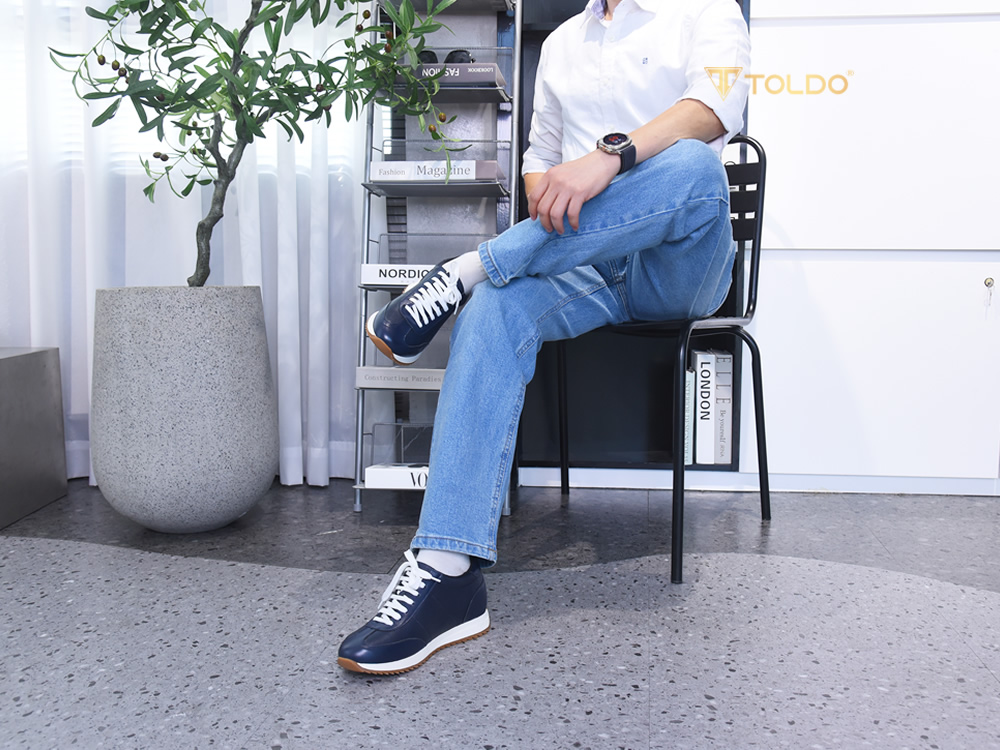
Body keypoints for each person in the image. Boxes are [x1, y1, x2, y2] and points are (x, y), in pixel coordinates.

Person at [337, 0, 751, 675]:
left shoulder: (703, 8)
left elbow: (713, 109)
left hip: (675, 263)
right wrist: (554, 195)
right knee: (492, 310)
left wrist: (608, 159)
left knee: (698, 169)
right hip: (584, 257)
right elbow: (540, 160)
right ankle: (447, 573)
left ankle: (469, 267)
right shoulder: (561, 43)